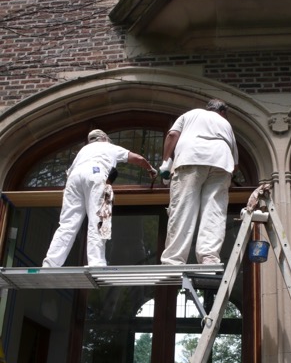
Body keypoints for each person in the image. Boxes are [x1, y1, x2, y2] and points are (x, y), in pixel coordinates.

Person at [42, 129, 156, 267]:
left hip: (73, 179)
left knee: (67, 224)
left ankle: (51, 263)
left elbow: (71, 174)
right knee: (99, 220)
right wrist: (150, 169)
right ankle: (96, 263)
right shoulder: (109, 146)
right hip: (96, 174)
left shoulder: (83, 151)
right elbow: (138, 159)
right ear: (104, 138)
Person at [159, 99, 239, 265]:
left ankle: (174, 259)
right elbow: (235, 163)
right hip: (221, 162)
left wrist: (166, 160)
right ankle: (209, 257)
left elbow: (172, 135)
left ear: (208, 108)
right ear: (223, 112)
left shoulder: (191, 114)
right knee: (214, 210)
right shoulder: (226, 124)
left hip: (191, 156)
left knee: (183, 207)